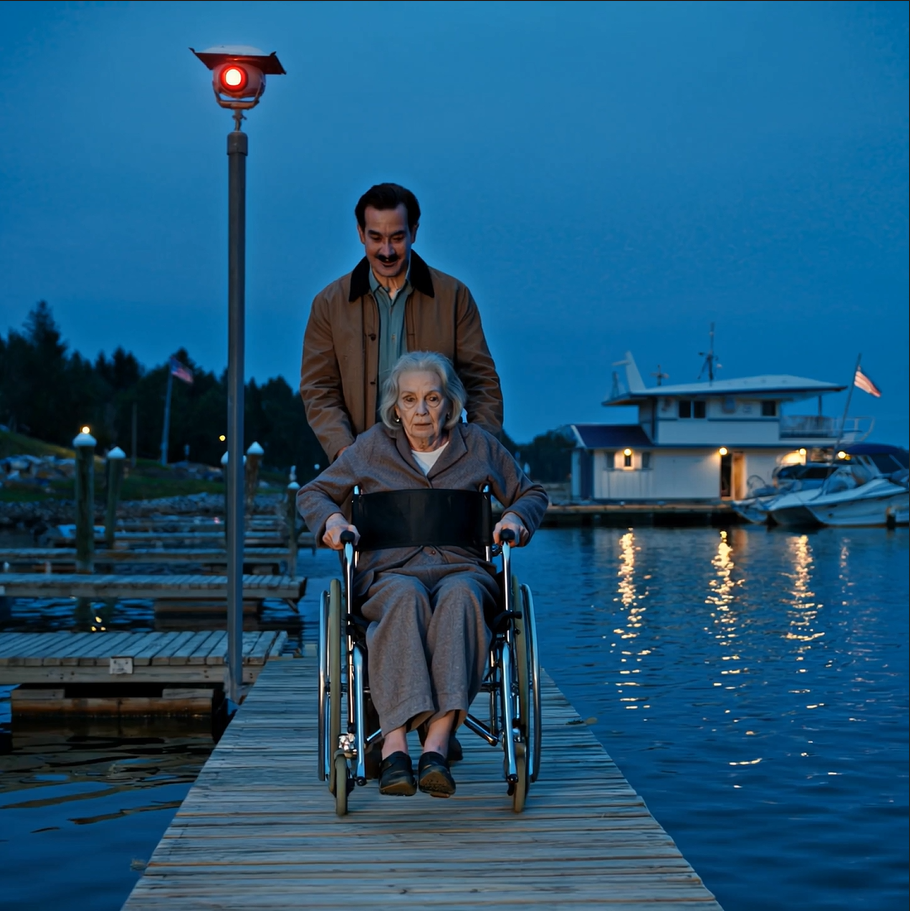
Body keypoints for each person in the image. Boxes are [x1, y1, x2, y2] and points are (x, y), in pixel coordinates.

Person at [297, 352, 548, 798]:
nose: (420, 411)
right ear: (395, 407)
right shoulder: (373, 446)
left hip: (462, 569)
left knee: (462, 598)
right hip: (389, 574)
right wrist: (333, 524)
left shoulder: (480, 447)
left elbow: (531, 493)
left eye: (432, 399)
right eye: (409, 399)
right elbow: (314, 493)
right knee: (404, 596)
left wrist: (515, 520)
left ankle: (435, 749)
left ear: (449, 404)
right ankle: (394, 748)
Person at [299, 183, 503, 464]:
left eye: (396, 237)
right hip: (359, 470)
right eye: (376, 238)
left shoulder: (454, 297)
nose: (386, 251)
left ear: (414, 232)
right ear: (360, 234)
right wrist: (344, 452)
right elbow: (318, 389)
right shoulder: (328, 304)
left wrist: (480, 453)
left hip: (439, 473)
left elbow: (483, 384)